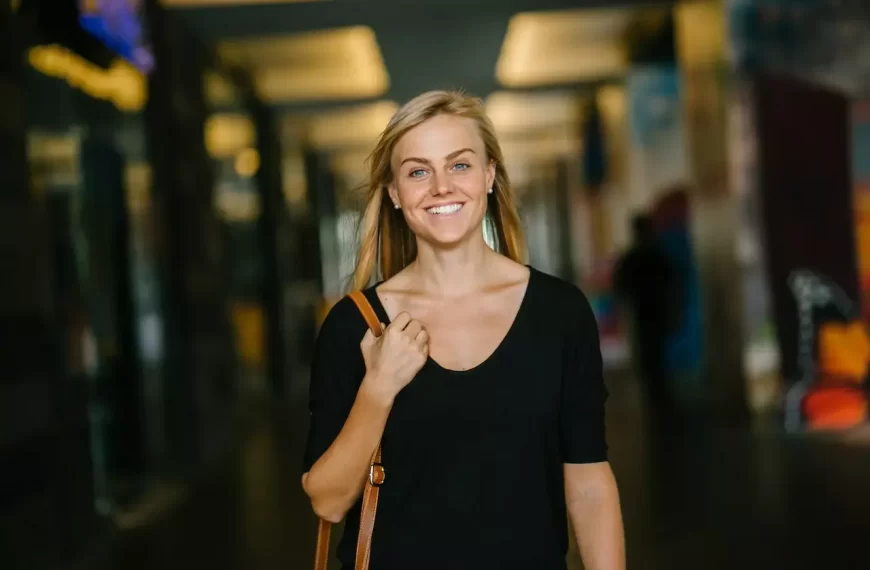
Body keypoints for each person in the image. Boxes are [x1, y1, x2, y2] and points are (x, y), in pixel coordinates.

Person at [301, 90, 625, 570]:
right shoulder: (355, 326)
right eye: (417, 171)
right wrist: (379, 387)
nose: (440, 187)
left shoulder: (559, 313)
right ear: (394, 193)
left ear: (489, 175)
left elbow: (588, 482)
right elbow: (327, 501)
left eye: (459, 165)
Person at [613, 213, 680, 418]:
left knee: (648, 358)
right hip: (655, 314)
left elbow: (621, 288)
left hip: (643, 315)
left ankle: (656, 399)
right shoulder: (657, 256)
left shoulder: (634, 259)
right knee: (657, 358)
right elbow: (672, 286)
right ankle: (661, 399)